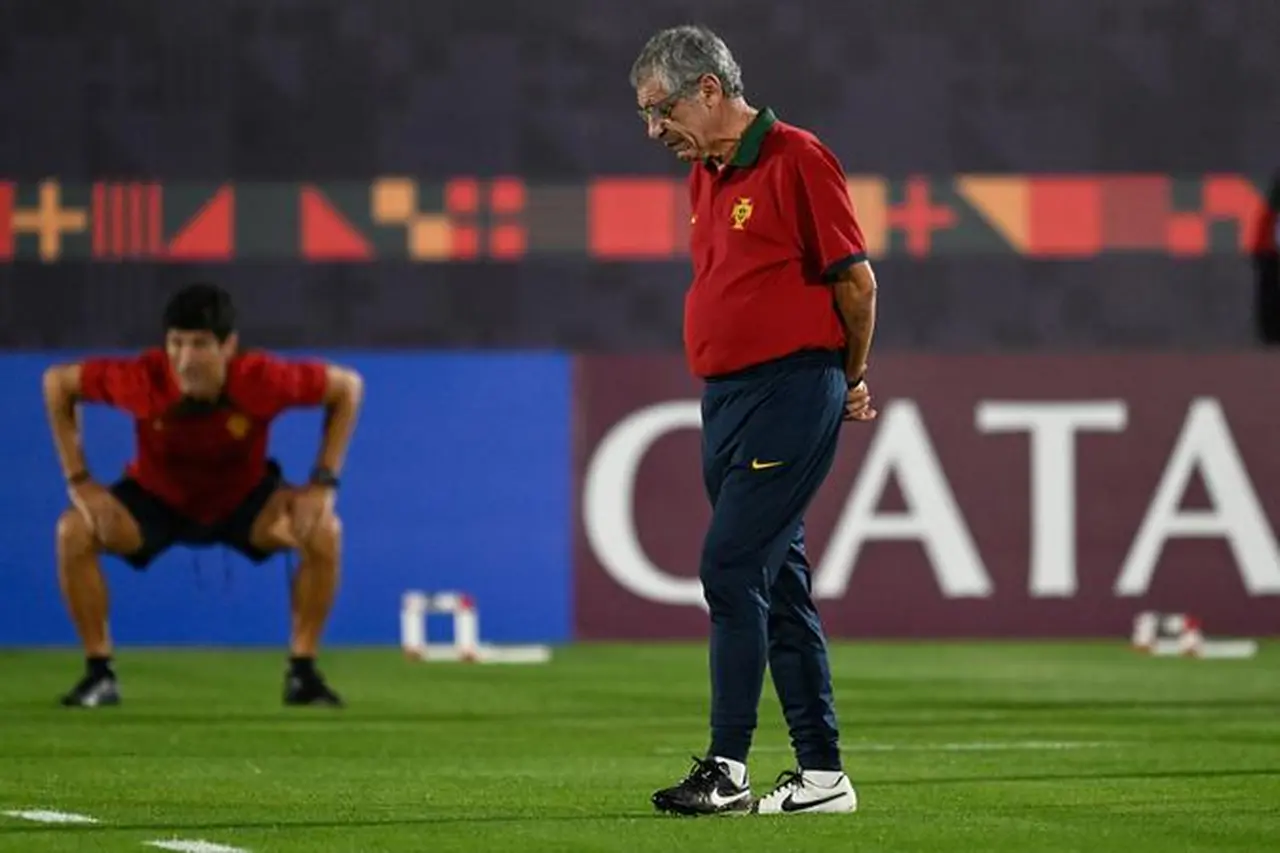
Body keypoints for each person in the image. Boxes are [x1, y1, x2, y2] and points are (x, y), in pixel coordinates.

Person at [630, 26, 878, 816]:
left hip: (791, 391)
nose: (653, 129)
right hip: (727, 400)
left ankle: (727, 766)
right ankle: (822, 776)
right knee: (780, 583)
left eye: (661, 109)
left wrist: (848, 377)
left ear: (708, 88)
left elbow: (857, 284)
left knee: (731, 567)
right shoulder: (704, 175)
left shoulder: (798, 157)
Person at [42, 282, 364, 708]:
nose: (185, 359)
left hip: (243, 502)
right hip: (155, 500)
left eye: (200, 345)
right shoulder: (143, 378)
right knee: (72, 531)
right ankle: (99, 674)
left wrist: (322, 484)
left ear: (228, 347)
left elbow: (347, 388)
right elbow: (58, 383)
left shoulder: (261, 378)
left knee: (324, 530)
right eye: (176, 343)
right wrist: (80, 481)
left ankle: (302, 674)